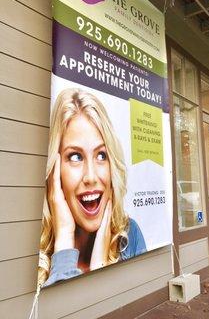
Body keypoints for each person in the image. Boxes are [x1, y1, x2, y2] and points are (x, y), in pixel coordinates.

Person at [38, 88, 146, 287]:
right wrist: (63, 238)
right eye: (75, 156)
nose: (91, 177)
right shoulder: (35, 253)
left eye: (101, 155)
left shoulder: (130, 235)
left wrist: (100, 269)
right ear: (54, 170)